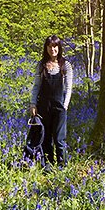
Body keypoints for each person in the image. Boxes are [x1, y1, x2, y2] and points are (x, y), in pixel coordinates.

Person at [29, 35, 73, 166]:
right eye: (49, 46)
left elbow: (69, 87)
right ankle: (47, 165)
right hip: (43, 106)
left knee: (59, 138)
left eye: (55, 46)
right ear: (46, 48)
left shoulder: (66, 65)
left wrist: (65, 105)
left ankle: (62, 165)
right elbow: (36, 86)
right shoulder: (41, 65)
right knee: (45, 137)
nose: (52, 49)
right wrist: (33, 103)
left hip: (59, 107)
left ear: (59, 47)